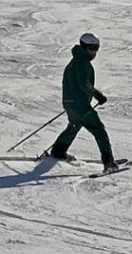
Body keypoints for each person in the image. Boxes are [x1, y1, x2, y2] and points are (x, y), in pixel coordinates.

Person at [48, 32, 117, 170]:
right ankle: (109, 163)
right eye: (92, 47)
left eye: (96, 48)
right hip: (80, 105)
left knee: (74, 125)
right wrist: (98, 95)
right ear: (84, 46)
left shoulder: (76, 61)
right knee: (99, 131)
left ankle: (58, 151)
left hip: (69, 102)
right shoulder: (82, 63)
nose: (94, 51)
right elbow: (83, 84)